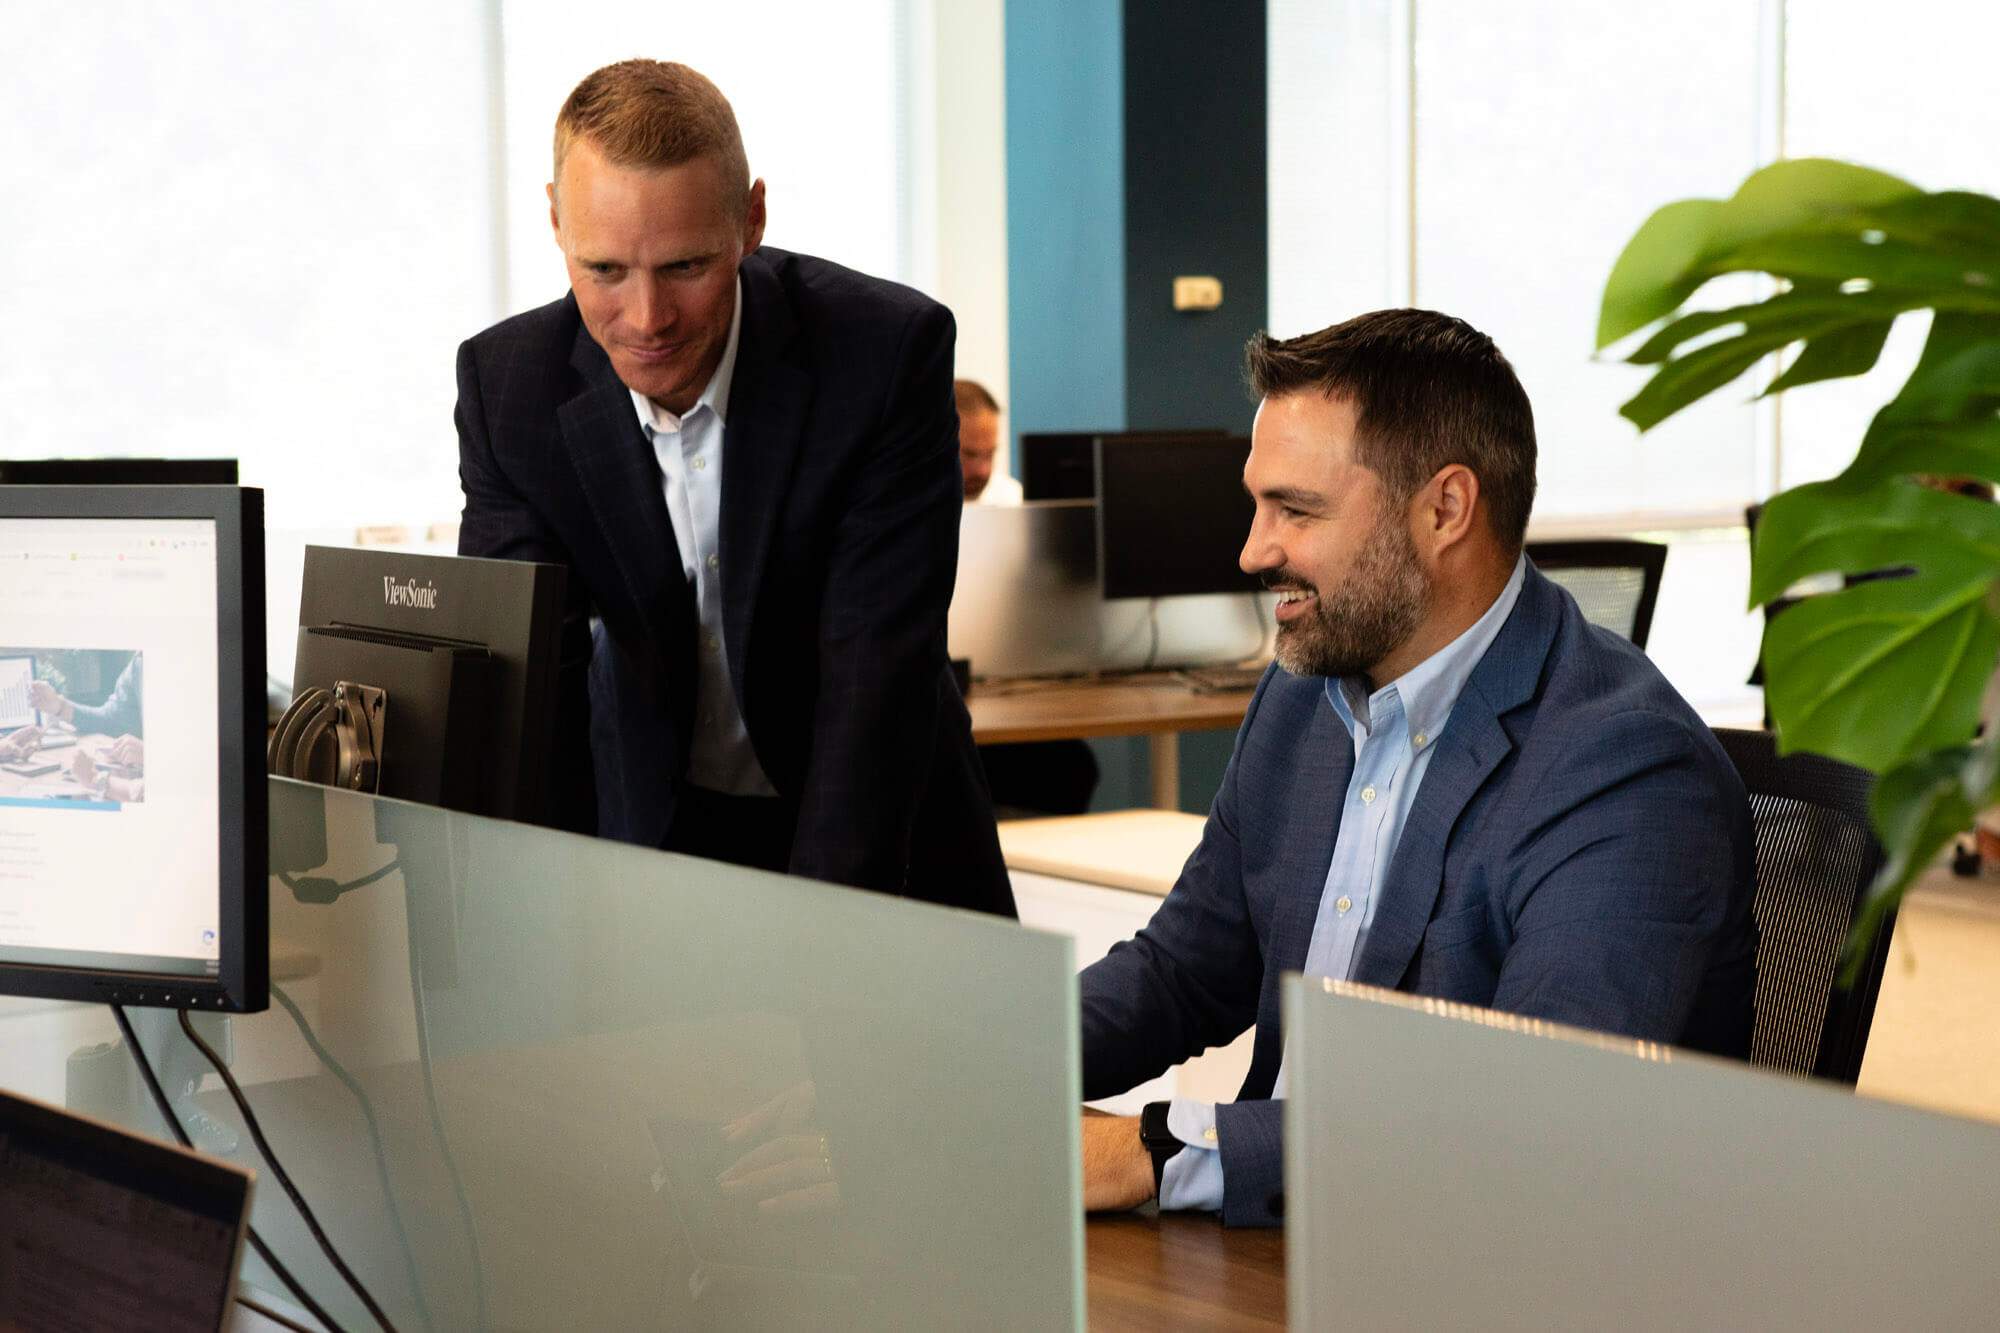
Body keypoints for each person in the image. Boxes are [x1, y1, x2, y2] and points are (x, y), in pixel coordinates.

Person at [1076, 309, 1758, 1227]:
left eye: (1296, 509)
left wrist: (1153, 1151)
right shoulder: (1304, 695)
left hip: (1489, 1267)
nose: (1252, 549)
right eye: (1257, 502)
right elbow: (1184, 971)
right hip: (1289, 1237)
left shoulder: (1626, 768)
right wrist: (988, 1059)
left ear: (1444, 509)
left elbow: (1526, 1116)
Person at [453, 60, 1012, 917]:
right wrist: (542, 933)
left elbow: (876, 680)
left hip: (886, 846)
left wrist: (822, 950)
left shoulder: (883, 356)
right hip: (657, 841)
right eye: (604, 270)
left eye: (684, 266)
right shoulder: (511, 387)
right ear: (557, 225)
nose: (647, 319)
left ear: (750, 219)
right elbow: (530, 709)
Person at [953, 379, 1021, 504]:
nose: (983, 471)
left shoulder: (1012, 500)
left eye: (990, 454)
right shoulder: (910, 503)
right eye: (970, 455)